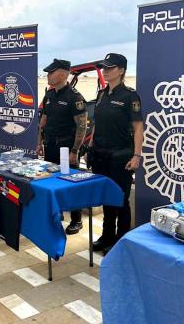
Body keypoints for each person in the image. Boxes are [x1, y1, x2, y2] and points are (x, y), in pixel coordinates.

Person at [87, 53, 144, 252]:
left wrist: (137, 156)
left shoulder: (130, 96)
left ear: (121, 70)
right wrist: (91, 144)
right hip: (101, 154)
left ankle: (121, 241)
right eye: (104, 67)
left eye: (110, 68)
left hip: (121, 155)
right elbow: (96, 123)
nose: (106, 71)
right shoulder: (102, 94)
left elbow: (138, 127)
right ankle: (107, 236)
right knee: (106, 198)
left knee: (120, 199)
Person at [36, 59, 88, 234]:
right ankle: (56, 214)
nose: (48, 75)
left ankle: (76, 219)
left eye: (52, 72)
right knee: (51, 181)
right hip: (50, 146)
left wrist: (75, 151)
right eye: (48, 73)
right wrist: (39, 142)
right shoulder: (49, 95)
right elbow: (42, 122)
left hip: (66, 149)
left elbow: (82, 126)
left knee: (70, 183)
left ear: (64, 74)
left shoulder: (74, 97)